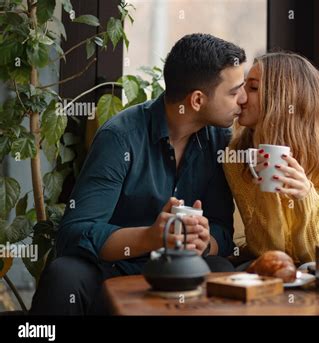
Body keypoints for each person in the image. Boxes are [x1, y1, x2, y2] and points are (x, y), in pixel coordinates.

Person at [30, 33, 247, 315]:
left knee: (219, 267)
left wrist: (206, 241)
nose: (241, 100)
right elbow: (75, 233)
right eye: (233, 92)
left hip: (181, 267)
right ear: (197, 100)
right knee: (64, 275)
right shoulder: (120, 137)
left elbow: (222, 228)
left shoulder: (219, 141)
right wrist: (151, 237)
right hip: (113, 267)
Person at [224, 52, 319, 266]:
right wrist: (267, 192)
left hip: (312, 271)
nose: (242, 97)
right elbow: (267, 251)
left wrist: (306, 196)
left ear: (282, 98)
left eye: (253, 88)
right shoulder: (236, 155)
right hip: (264, 269)